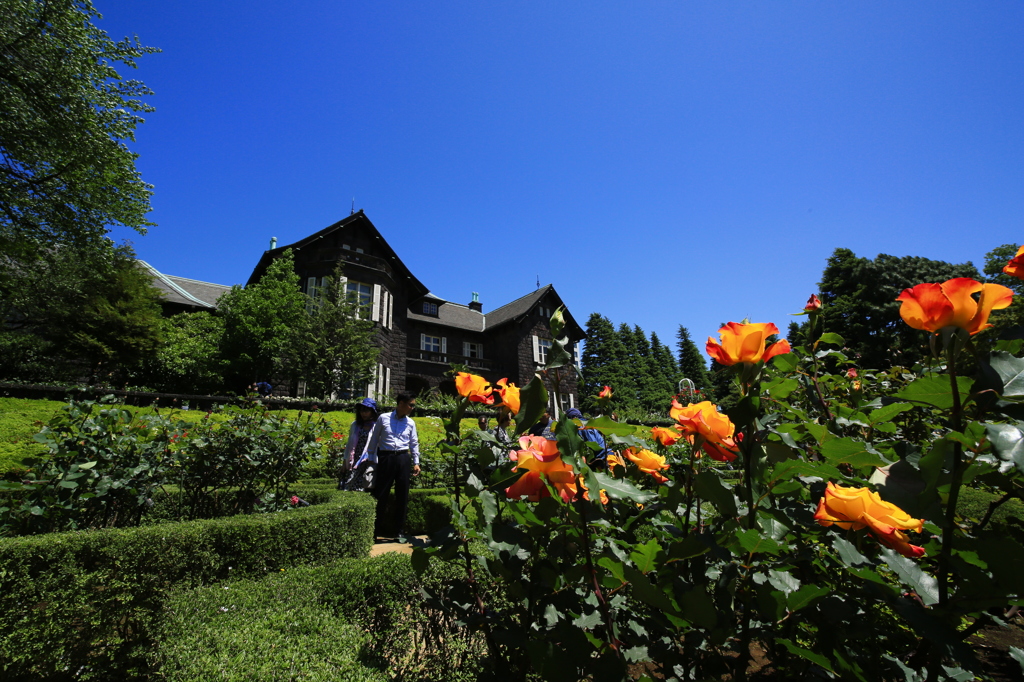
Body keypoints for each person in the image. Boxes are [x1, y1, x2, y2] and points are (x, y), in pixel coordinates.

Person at [363, 393, 421, 543]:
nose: (412, 408)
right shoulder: (384, 418)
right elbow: (374, 439)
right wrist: (371, 459)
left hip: (402, 458)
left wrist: (416, 462)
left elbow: (414, 443)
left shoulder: (410, 423)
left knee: (402, 495)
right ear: (401, 403)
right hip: (386, 457)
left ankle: (399, 531)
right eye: (411, 405)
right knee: (381, 494)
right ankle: (374, 530)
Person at [341, 398, 378, 490]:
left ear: (372, 412)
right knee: (350, 482)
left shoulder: (376, 426)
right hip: (355, 458)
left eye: (366, 411)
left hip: (367, 458)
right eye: (361, 411)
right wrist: (345, 461)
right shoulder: (355, 425)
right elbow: (349, 444)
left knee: (365, 482)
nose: (363, 413)